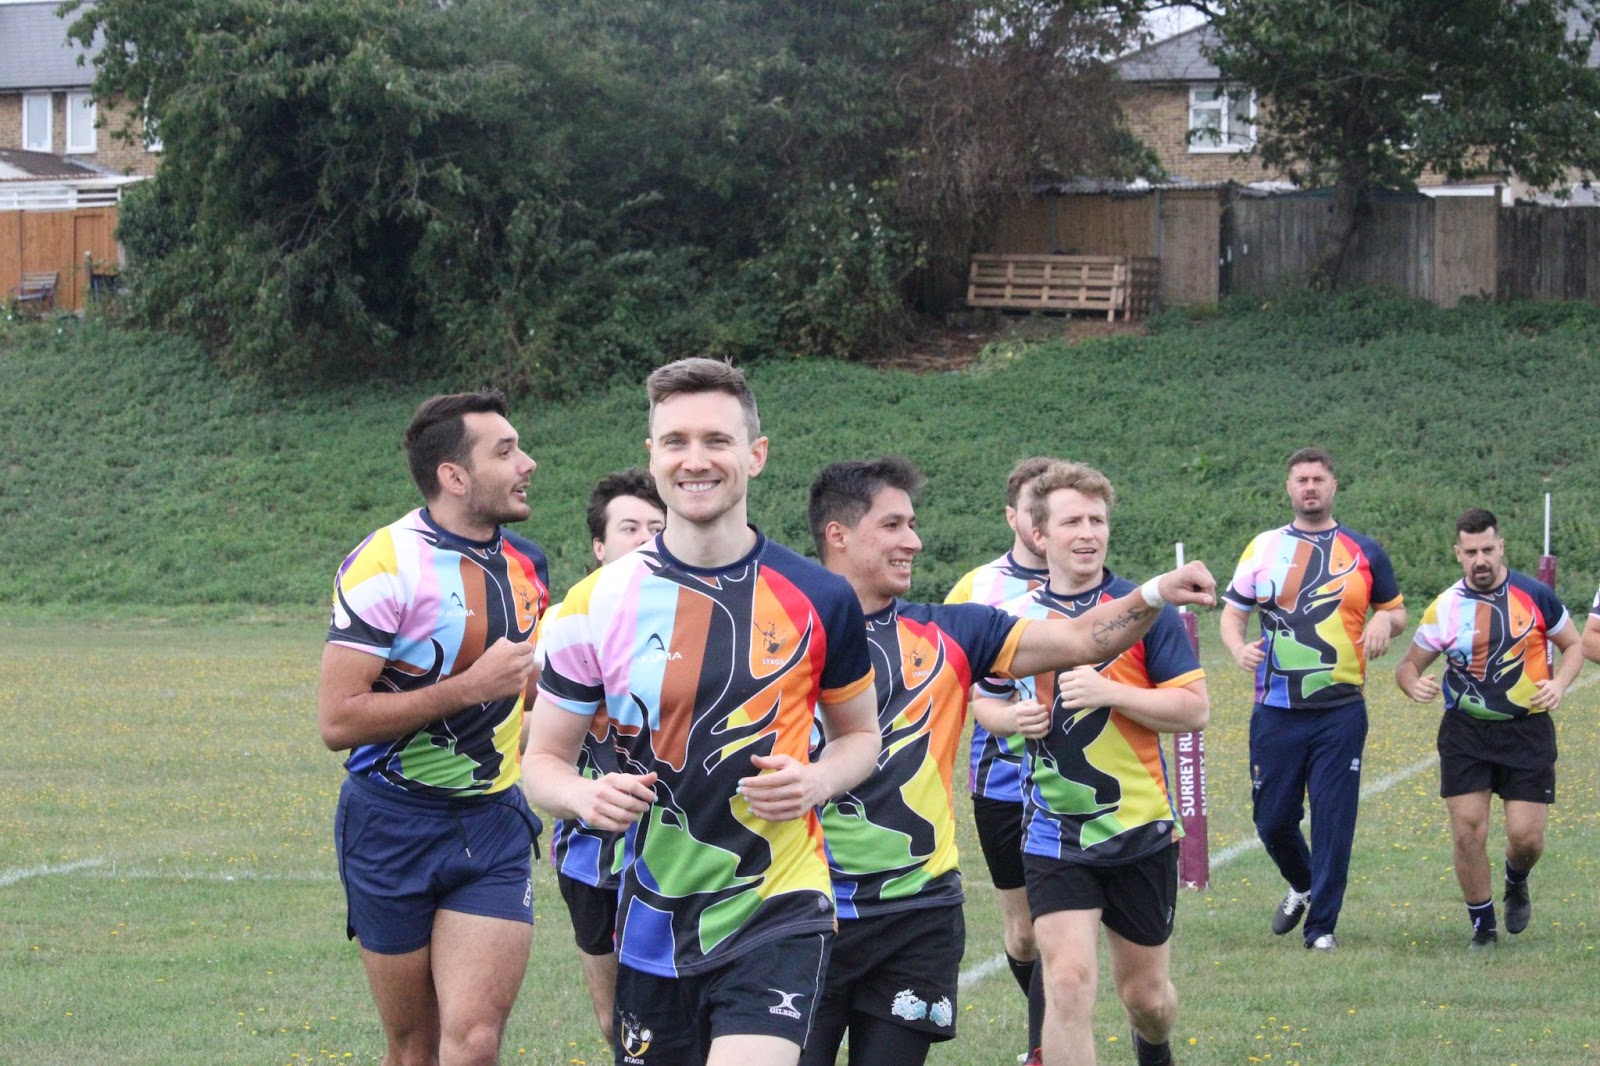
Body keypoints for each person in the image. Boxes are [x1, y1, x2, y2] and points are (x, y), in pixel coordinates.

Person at [522, 357, 883, 1066]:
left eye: (716, 440)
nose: (696, 460)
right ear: (651, 457)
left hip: (778, 904)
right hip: (652, 922)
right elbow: (540, 762)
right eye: (676, 441)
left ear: (755, 454)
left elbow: (862, 736)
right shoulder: (593, 604)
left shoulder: (820, 597)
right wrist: (584, 795)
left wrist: (817, 782)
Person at [801, 458, 1216, 1066]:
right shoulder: (778, 633)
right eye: (894, 525)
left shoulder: (957, 632)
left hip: (916, 912)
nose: (914, 541)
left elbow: (1083, 640)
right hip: (801, 908)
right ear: (838, 534)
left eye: (912, 524)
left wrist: (1153, 591)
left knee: (1140, 995)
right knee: (1064, 975)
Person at [317, 389, 549, 1066]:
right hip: (389, 825)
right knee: (414, 1047)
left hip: (492, 825)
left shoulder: (528, 564)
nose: (527, 462)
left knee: (474, 1041)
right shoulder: (385, 562)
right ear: (454, 476)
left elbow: (525, 690)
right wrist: (471, 687)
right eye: (505, 452)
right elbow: (338, 720)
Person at [974, 462, 1208, 1066]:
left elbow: (1193, 709)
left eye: (1097, 520)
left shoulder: (1142, 612)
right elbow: (985, 701)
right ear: (1038, 533)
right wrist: (1010, 720)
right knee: (1068, 982)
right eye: (1072, 520)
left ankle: (1154, 1050)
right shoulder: (1013, 619)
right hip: (1054, 835)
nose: (1087, 533)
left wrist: (1113, 694)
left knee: (1146, 999)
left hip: (1140, 831)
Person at [1218, 447, 1405, 952]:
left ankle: (1322, 926)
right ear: (1289, 487)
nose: (1310, 487)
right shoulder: (1262, 548)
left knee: (1332, 820)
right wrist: (1237, 647)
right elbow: (1233, 613)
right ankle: (1302, 883)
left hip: (1340, 711)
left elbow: (1395, 612)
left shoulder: (1365, 550)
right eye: (1301, 479)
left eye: (1318, 479)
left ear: (1334, 486)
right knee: (1272, 820)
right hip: (1276, 709)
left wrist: (1385, 622)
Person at [1395, 508, 1582, 947]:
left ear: (1501, 548)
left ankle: (1516, 879)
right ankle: (1483, 927)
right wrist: (1412, 684)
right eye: (1471, 552)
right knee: (1468, 828)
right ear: (1458, 554)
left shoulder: (1535, 595)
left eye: (1487, 550)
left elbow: (1573, 645)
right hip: (1466, 731)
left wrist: (1559, 683)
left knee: (1526, 838)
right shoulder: (1445, 607)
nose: (1480, 559)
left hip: (1527, 729)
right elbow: (1408, 664)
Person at [545, 469, 666, 1048]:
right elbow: (530, 741)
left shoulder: (696, 624)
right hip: (589, 856)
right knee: (617, 1023)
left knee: (678, 1015)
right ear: (599, 547)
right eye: (629, 527)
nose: (645, 538)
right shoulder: (564, 624)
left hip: (678, 853)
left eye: (656, 527)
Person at [942, 456, 1058, 1053]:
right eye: (1033, 507)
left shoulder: (1091, 585)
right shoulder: (975, 589)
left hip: (1071, 789)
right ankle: (1054, 1023)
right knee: (1021, 937)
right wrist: (1006, 716)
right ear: (1012, 515)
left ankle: (1045, 1045)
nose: (1044, 519)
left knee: (1056, 928)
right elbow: (949, 683)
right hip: (1001, 785)